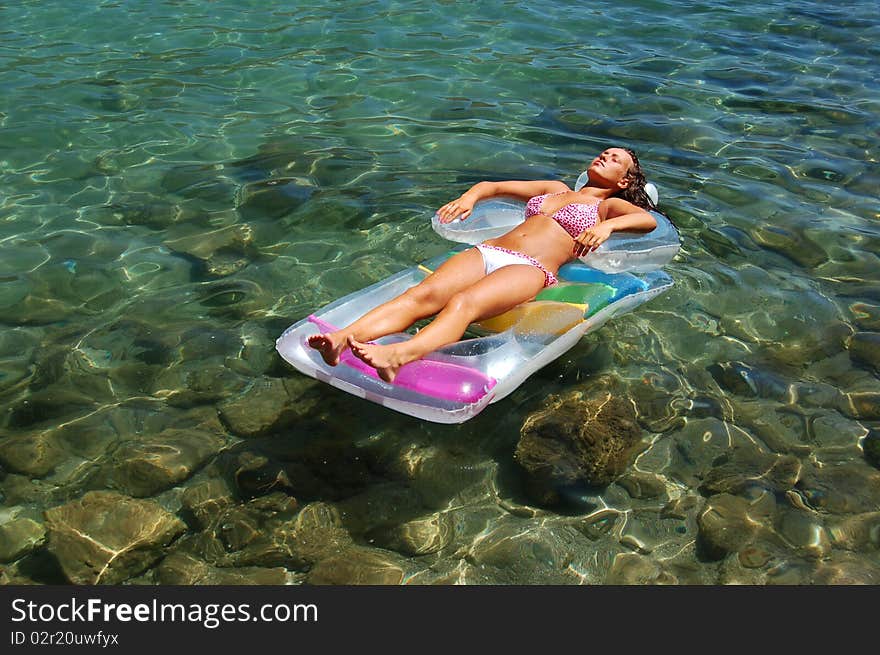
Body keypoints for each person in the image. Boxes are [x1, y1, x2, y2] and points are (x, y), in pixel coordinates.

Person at [308, 147, 658, 383]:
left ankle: (399, 356)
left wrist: (606, 226)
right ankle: (341, 339)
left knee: (463, 304)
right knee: (421, 295)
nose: (604, 156)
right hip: (490, 250)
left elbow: (646, 221)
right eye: (604, 153)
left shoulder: (605, 208)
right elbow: (493, 186)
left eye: (614, 159)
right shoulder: (554, 189)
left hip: (530, 268)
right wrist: (469, 197)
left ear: (624, 181)